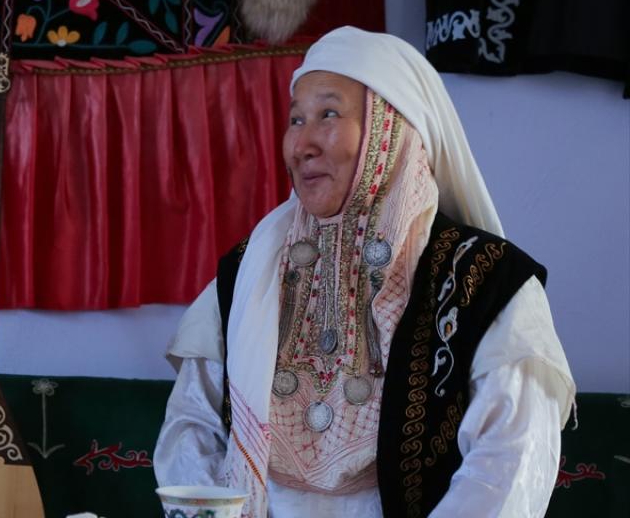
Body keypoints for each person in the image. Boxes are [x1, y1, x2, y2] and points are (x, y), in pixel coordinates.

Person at [155, 27, 574, 517]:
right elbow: (191, 428)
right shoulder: (249, 273)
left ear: (389, 129)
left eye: (328, 114)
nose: (301, 144)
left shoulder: (483, 282)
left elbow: (507, 466)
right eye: (296, 119)